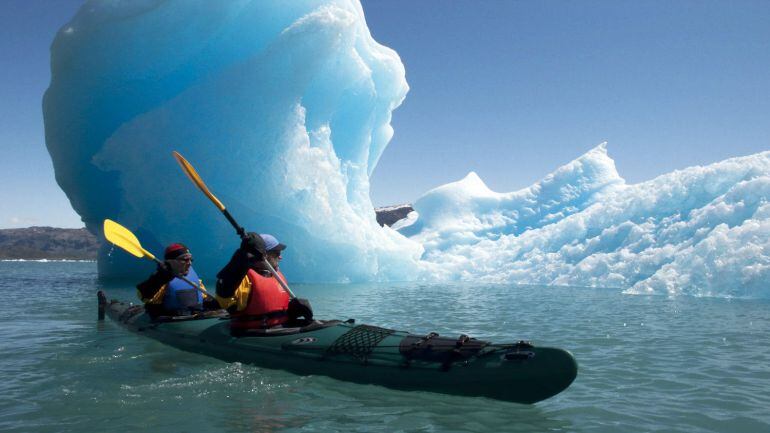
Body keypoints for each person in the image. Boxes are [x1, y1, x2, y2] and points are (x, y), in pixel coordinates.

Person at [215, 233, 313, 332]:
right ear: (263, 255)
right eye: (277, 253)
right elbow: (225, 301)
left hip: (280, 328)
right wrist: (240, 259)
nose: (280, 257)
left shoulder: (277, 276)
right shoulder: (243, 279)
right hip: (254, 333)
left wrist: (292, 311)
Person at [136, 243, 219, 317]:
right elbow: (143, 296)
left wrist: (220, 304)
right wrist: (161, 277)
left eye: (191, 260)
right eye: (185, 259)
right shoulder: (162, 279)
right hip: (169, 320)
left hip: (194, 315)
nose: (190, 263)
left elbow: (205, 299)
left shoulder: (195, 280)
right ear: (171, 262)